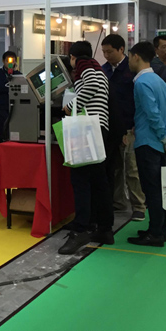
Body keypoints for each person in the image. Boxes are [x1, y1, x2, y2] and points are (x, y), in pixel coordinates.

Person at [58, 40, 114, 255]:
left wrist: (70, 106)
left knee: (80, 180)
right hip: (99, 129)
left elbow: (90, 87)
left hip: (86, 130)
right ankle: (104, 229)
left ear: (74, 57)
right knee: (99, 181)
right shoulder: (99, 70)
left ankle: (80, 230)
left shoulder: (86, 68)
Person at [126, 42, 166, 246]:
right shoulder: (160, 81)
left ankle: (155, 233)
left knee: (152, 190)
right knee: (161, 189)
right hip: (161, 143)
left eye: (130, 56)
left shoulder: (141, 83)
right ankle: (160, 228)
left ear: (136, 56)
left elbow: (152, 113)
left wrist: (163, 137)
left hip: (148, 143)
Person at [101, 34, 146, 222]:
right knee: (115, 168)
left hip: (130, 126)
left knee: (132, 169)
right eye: (104, 52)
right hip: (110, 128)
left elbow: (139, 99)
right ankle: (118, 202)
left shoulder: (132, 69)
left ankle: (139, 206)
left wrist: (136, 124)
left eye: (110, 52)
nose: (106, 55)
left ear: (121, 49)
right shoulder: (103, 70)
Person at [0, 51, 21, 141]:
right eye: (7, 61)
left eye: (12, 61)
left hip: (16, 107)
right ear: (3, 61)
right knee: (3, 129)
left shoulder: (18, 75)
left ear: (15, 61)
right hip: (2, 107)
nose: (10, 64)